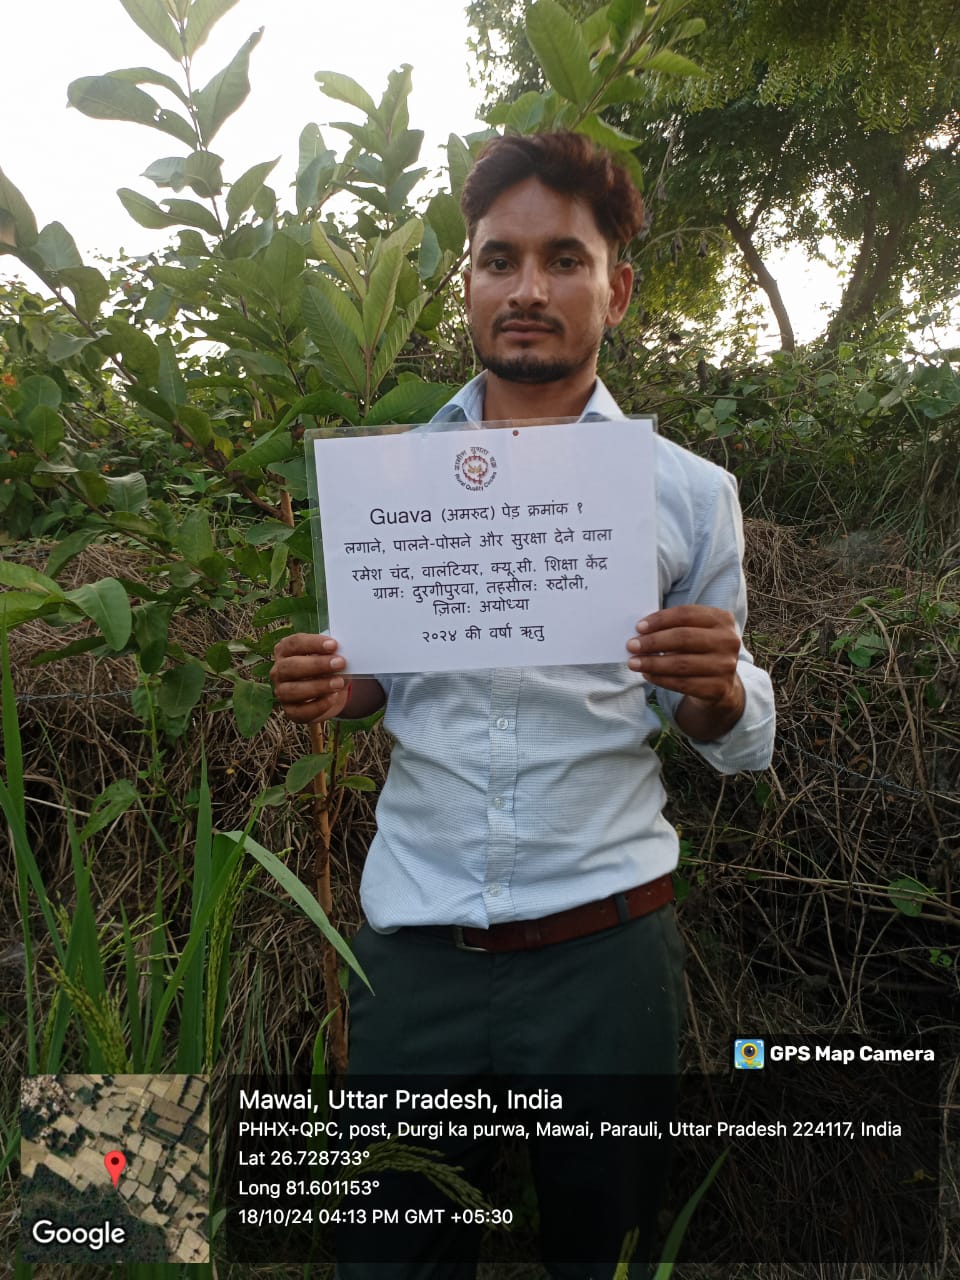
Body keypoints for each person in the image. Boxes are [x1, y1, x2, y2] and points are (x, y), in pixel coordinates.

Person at [270, 132, 776, 1279]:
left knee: (605, 1251)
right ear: (469, 283)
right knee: (389, 1257)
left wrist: (716, 684)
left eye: (565, 259)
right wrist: (334, 685)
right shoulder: (391, 480)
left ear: (618, 288)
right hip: (416, 946)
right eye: (500, 258)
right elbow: (379, 673)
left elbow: (729, 734)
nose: (529, 287)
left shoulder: (692, 496)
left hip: (607, 951)